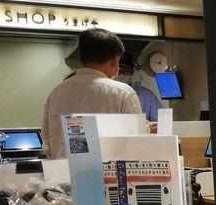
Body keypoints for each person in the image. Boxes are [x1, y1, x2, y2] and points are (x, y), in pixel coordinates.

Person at [41, 28, 142, 158]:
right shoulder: (122, 93)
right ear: (114, 61)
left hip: (61, 170)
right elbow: (137, 143)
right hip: (109, 171)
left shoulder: (56, 93)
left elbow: (47, 143)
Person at [118, 53, 162, 123]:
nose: (120, 75)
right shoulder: (104, 94)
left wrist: (147, 125)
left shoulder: (147, 96)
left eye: (125, 71)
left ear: (132, 72)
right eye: (118, 71)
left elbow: (160, 124)